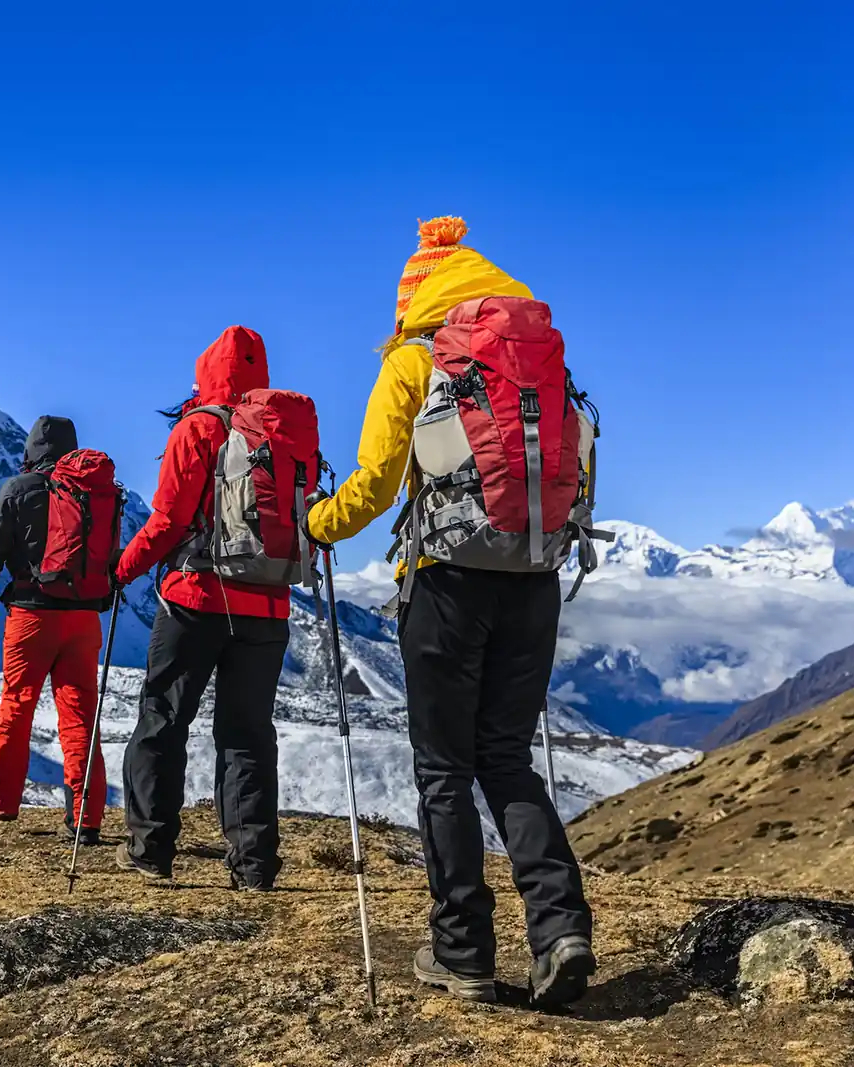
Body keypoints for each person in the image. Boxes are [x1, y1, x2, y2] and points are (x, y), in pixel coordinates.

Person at [306, 217, 596, 1006]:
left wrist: (316, 523)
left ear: (416, 295)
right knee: (505, 758)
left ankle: (462, 952)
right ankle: (561, 926)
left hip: (444, 586)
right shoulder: (542, 359)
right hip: (533, 581)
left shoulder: (414, 360)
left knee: (443, 768)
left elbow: (372, 483)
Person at [111, 326, 290, 890]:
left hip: (197, 600)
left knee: (163, 721)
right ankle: (254, 865)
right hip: (267, 604)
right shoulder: (281, 431)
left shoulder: (199, 428)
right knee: (247, 734)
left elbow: (167, 521)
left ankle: (150, 850)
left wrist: (121, 570)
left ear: (207, 373)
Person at [0, 416, 109, 843]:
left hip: (31, 617)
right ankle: (85, 819)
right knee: (81, 713)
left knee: (17, 704)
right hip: (84, 619)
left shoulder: (17, 490)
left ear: (30, 451)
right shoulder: (93, 491)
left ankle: (2, 802)